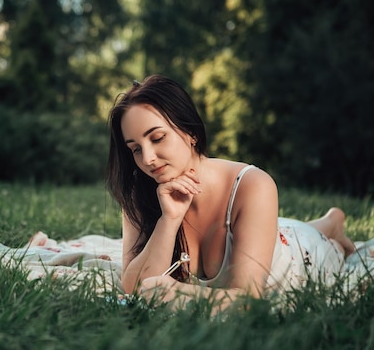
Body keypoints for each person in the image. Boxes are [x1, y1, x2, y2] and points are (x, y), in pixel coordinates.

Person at [106, 74, 357, 314]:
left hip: (301, 257)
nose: (148, 159)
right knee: (277, 229)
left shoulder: (252, 184)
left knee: (295, 236)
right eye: (136, 149)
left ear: (190, 132)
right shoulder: (141, 192)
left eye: (158, 138)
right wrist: (168, 221)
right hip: (263, 230)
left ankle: (331, 224)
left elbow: (248, 302)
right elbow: (133, 288)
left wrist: (179, 294)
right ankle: (328, 223)